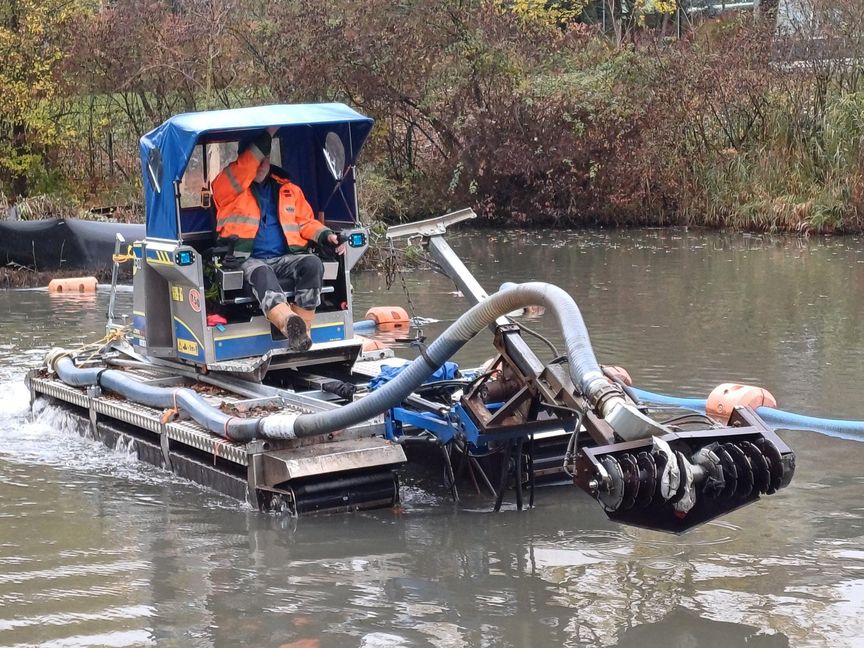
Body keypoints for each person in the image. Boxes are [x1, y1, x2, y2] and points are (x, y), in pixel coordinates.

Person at [212, 128, 344, 352]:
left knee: (313, 264)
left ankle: (302, 333)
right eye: (256, 161)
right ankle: (287, 323)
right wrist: (270, 131)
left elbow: (306, 222)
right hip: (247, 259)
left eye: (265, 160)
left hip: (285, 258)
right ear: (245, 162)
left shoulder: (289, 189)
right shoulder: (227, 186)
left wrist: (327, 235)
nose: (262, 165)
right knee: (263, 273)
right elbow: (246, 165)